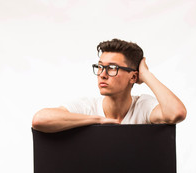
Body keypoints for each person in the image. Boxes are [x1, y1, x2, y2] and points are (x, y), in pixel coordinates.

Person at [32, 39, 186, 133]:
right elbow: (40, 120)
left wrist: (146, 75)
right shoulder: (87, 107)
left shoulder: (143, 106)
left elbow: (176, 113)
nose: (102, 74)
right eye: (100, 67)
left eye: (112, 68)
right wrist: (97, 121)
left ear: (133, 76)